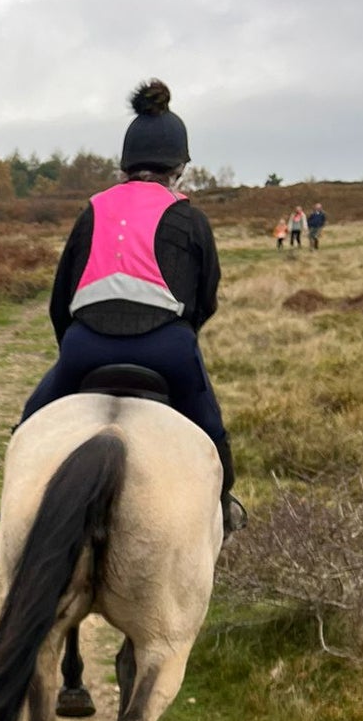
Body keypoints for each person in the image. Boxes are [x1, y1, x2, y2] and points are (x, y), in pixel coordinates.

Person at [18, 78, 244, 534]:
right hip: (167, 350)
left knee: (28, 426)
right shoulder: (190, 217)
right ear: (179, 166)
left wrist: (75, 346)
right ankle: (224, 505)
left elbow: (60, 301)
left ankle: (16, 501)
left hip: (86, 348)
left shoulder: (93, 210)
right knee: (211, 429)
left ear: (125, 164)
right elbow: (206, 300)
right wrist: (179, 337)